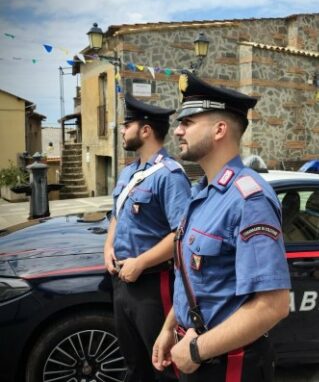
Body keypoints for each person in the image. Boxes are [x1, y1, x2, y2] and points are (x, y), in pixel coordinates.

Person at [152, 73, 291, 381]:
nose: (177, 131)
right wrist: (168, 329)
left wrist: (196, 350)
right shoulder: (202, 192)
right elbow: (194, 279)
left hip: (228, 364)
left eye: (188, 122)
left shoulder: (248, 200)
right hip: (195, 350)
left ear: (219, 130)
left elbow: (273, 305)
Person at [104, 93, 191, 382]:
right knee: (134, 363)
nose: (122, 130)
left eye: (127, 125)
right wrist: (108, 246)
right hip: (122, 283)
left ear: (145, 130)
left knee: (162, 366)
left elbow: (180, 233)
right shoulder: (128, 172)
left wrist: (140, 262)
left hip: (153, 285)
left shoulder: (170, 175)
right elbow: (117, 214)